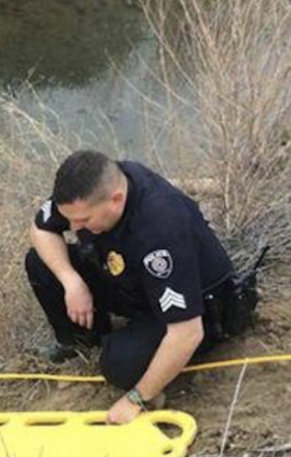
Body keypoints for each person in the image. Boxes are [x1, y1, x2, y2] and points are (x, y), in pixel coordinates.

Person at [26, 150, 252, 424]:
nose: (73, 226)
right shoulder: (89, 189)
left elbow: (187, 332)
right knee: (40, 262)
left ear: (116, 200)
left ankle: (146, 372)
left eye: (83, 221)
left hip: (196, 306)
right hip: (129, 278)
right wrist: (72, 282)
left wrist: (136, 398)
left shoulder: (160, 228)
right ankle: (83, 342)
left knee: (119, 366)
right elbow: (42, 229)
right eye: (70, 219)